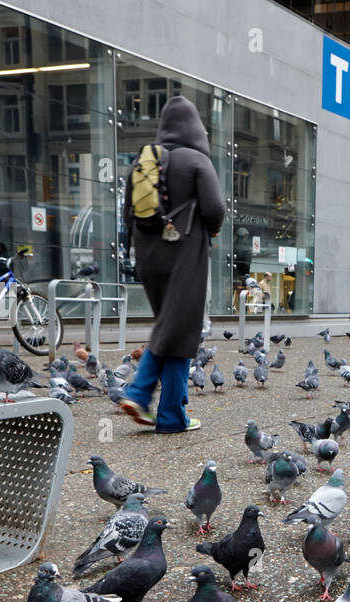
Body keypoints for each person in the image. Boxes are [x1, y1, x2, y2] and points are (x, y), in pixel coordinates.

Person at [119, 96, 226, 433]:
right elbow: (214, 208)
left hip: (148, 256)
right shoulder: (197, 160)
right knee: (178, 330)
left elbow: (128, 216)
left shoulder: (142, 162)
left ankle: (171, 417)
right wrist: (212, 230)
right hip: (184, 252)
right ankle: (138, 392)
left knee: (175, 330)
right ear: (195, 127)